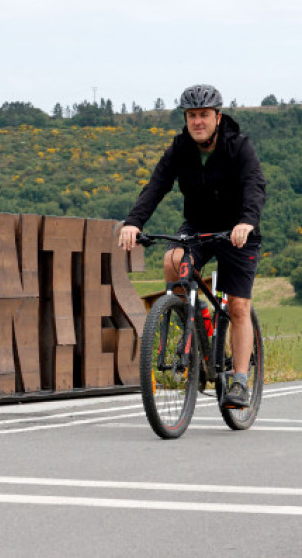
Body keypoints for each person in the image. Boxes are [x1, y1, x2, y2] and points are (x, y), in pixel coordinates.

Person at [118, 84, 266, 407]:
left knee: (238, 306)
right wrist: (133, 222)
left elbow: (255, 185)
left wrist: (246, 221)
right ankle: (195, 322)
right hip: (199, 228)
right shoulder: (180, 149)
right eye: (191, 116)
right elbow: (157, 184)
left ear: (217, 116)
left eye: (203, 115)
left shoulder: (238, 147)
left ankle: (239, 381)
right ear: (186, 119)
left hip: (237, 230)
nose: (198, 121)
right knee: (173, 262)